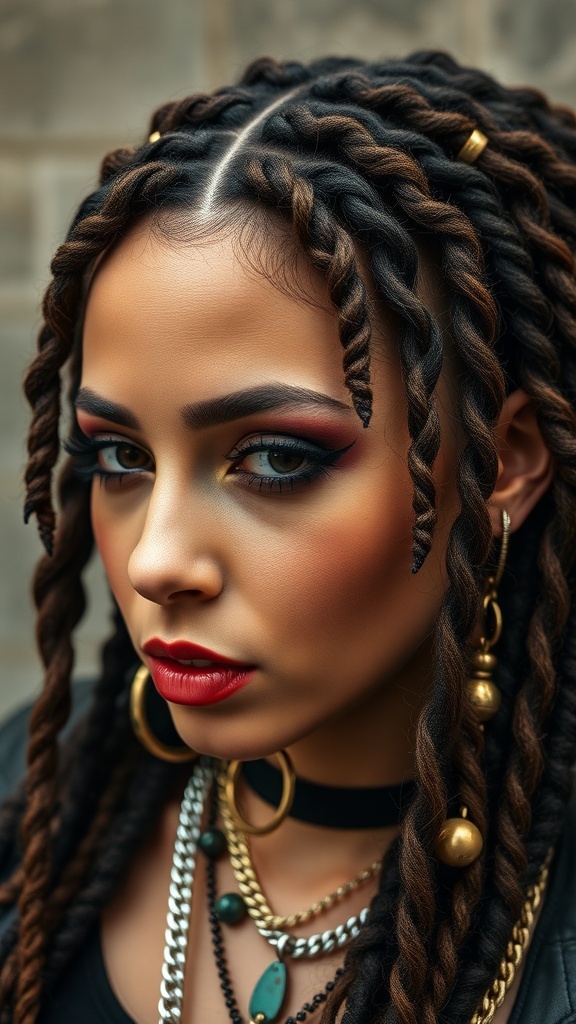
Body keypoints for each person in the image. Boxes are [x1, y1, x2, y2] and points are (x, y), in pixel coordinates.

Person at [0, 48, 575, 1024]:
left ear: (504, 462)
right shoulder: (31, 793)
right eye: (121, 457)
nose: (155, 561)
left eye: (274, 459)